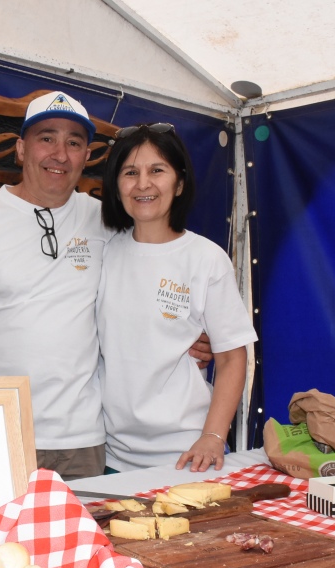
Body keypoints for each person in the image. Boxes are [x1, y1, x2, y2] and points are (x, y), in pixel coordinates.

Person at [0, 92, 211, 480]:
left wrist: (188, 332)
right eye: (46, 138)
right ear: (20, 149)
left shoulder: (108, 219)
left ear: (87, 156)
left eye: (74, 142)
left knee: (84, 541)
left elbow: (157, 271)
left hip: (81, 439)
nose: (60, 154)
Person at [97, 122, 258, 473]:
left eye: (157, 170)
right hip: (110, 457)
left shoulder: (205, 258)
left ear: (179, 183)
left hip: (188, 455)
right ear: (116, 185)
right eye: (130, 172)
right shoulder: (102, 253)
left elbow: (233, 357)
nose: (143, 184)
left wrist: (213, 436)